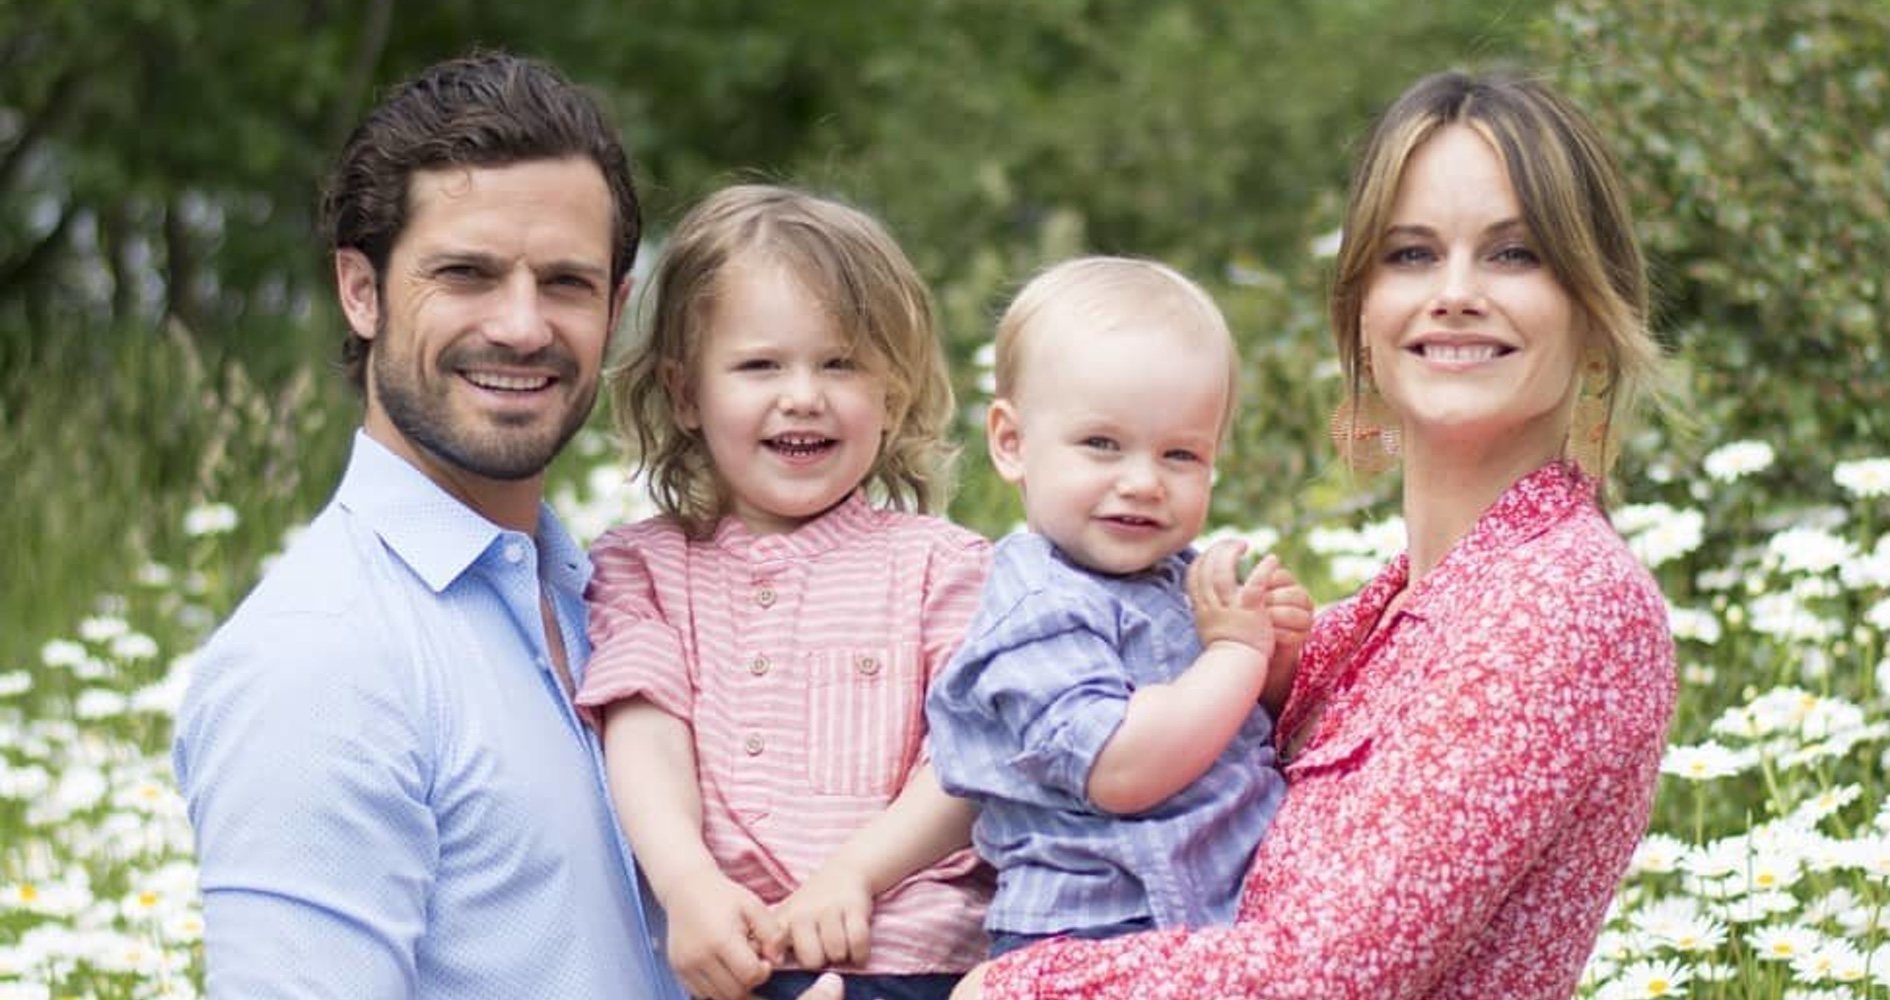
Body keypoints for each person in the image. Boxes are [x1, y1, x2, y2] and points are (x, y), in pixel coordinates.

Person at [949, 69, 1678, 999]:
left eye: (1515, 254)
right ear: (1361, 307)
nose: (1454, 293)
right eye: (1411, 254)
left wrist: (1006, 990)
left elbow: (1328, 973)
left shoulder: (1565, 603)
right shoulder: (1369, 620)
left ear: (1593, 303)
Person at [172, 52, 689, 998]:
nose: (523, 326)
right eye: (467, 274)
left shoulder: (619, 600)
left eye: (567, 283)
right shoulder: (323, 662)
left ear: (615, 310)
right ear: (360, 291)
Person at [575, 183, 991, 1000]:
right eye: (760, 365)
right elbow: (645, 730)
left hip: (909, 961)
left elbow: (970, 759)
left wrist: (854, 875)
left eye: (840, 364)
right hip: (731, 959)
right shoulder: (644, 569)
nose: (802, 394)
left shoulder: (945, 567)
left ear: (891, 393)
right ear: (687, 394)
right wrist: (688, 884)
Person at [924, 257, 1311, 958]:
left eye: (1180, 456)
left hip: (1213, 916)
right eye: (1102, 444)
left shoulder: (1180, 580)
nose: (1142, 482)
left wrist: (1275, 663)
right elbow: (1121, 769)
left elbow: (1229, 736)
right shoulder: (1037, 603)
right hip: (1095, 931)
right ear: (1012, 443)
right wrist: (1236, 656)